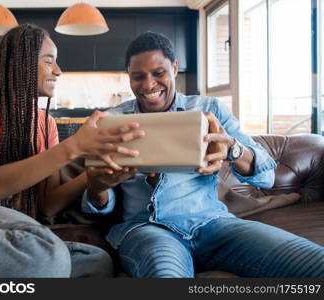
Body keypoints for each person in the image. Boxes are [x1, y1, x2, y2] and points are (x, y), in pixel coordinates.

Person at [0, 23, 145, 278]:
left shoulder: (46, 124)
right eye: (49, 61)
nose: (58, 70)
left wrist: (92, 175)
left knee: (96, 261)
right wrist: (74, 146)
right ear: (21, 62)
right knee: (46, 251)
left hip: (11, 223)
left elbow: (48, 205)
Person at [81, 32, 324, 278]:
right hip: (148, 229)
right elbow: (98, 205)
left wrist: (232, 149)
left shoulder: (209, 110)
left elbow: (268, 177)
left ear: (174, 68)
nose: (148, 85)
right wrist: (96, 188)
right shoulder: (112, 120)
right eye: (138, 77)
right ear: (129, 78)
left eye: (158, 73)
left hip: (214, 224)